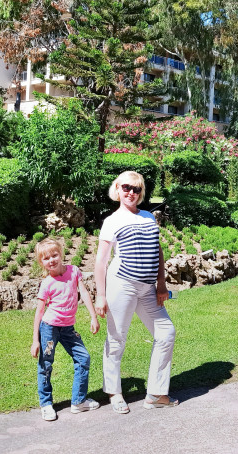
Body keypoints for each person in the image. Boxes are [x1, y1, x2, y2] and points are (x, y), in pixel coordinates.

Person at [94, 171, 177, 414]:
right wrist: (101, 295)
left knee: (166, 333)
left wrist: (161, 284)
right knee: (117, 338)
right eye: (126, 188)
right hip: (122, 284)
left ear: (141, 193)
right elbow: (101, 262)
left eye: (136, 189)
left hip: (148, 288)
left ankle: (156, 394)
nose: (131, 192)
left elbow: (157, 251)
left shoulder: (148, 217)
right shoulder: (112, 221)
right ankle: (114, 392)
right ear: (117, 189)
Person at [31, 237, 100, 421]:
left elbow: (83, 292)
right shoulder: (47, 283)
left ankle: (78, 402)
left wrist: (93, 316)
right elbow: (39, 312)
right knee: (46, 364)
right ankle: (46, 404)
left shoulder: (74, 271)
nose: (51, 260)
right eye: (46, 258)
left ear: (61, 254)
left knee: (83, 358)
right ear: (41, 262)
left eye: (54, 255)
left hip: (68, 329)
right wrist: (35, 340)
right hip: (49, 328)